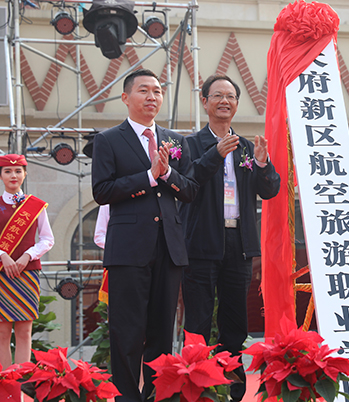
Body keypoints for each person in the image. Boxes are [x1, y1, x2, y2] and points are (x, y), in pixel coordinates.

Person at [92, 69, 198, 402]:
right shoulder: (108, 139)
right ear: (126, 98)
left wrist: (167, 173)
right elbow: (102, 190)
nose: (152, 96)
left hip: (168, 247)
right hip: (128, 250)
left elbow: (191, 191)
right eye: (143, 90)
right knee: (126, 330)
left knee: (161, 330)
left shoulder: (176, 141)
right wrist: (148, 177)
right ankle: (126, 397)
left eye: (157, 91)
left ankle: (158, 395)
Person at [179, 73, 280, 401]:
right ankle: (198, 385)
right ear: (204, 101)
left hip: (238, 243)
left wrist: (263, 164)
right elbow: (185, 185)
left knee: (235, 317)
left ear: (237, 104)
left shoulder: (248, 147)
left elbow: (271, 190)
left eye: (231, 96)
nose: (225, 101)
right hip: (201, 241)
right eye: (218, 95)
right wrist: (215, 154)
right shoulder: (190, 145)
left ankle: (234, 387)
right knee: (199, 315)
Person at [0, 154, 54, 369]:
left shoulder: (36, 206)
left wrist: (27, 256)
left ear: (25, 174)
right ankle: (4, 386)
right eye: (8, 171)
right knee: (2, 332)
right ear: (1, 175)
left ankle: (21, 384)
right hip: (2, 273)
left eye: (18, 171)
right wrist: (3, 254)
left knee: (24, 330)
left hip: (27, 273)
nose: (13, 175)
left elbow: (48, 239)